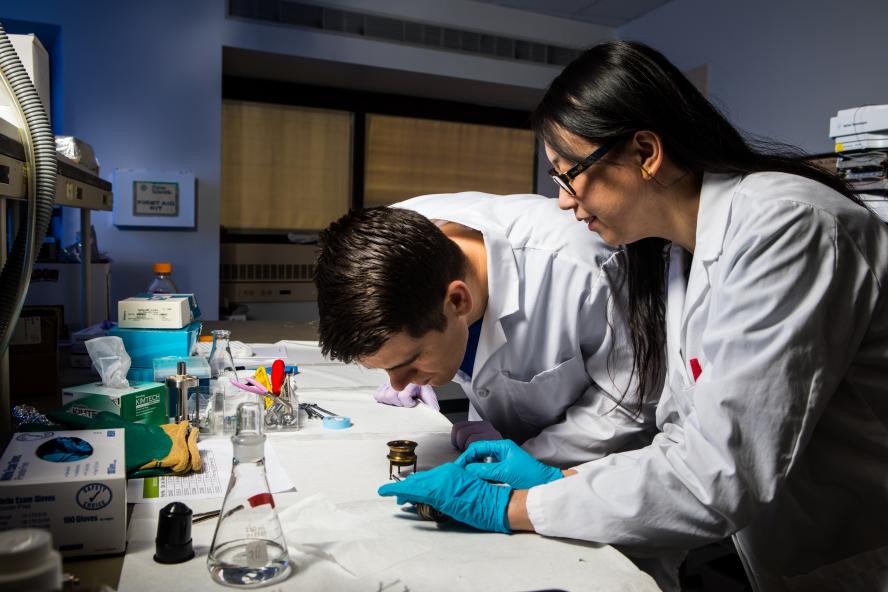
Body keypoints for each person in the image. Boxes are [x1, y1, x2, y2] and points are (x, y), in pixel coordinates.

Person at [379, 41, 888, 592]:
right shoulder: (674, 257)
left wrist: (513, 506)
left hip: (861, 550)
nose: (564, 203)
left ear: (646, 152)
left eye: (569, 174)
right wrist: (564, 478)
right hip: (778, 547)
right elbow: (679, 437)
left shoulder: (787, 228)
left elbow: (720, 473)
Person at [314, 191, 661, 467]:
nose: (397, 382)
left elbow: (629, 398)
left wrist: (533, 456)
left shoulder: (581, 267)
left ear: (458, 301)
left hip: (603, 474)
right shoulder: (387, 247)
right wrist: (396, 365)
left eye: (410, 361)